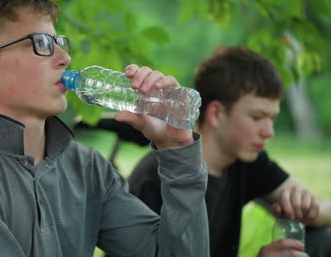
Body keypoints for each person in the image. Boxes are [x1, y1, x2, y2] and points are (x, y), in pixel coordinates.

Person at [0, 0, 210, 256]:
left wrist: (177, 149)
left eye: (58, 42)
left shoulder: (88, 168)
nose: (65, 57)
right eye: (40, 43)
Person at [128, 47, 331, 257]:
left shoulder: (245, 160)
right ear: (216, 113)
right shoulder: (155, 178)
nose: (269, 132)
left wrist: (310, 209)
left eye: (272, 119)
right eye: (257, 117)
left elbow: (326, 211)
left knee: (322, 239)